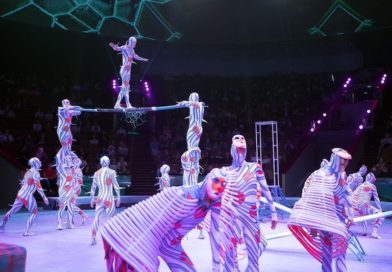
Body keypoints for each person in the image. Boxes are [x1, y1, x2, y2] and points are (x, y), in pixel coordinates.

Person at [211, 135, 278, 272]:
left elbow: (266, 190)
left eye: (243, 150)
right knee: (230, 257)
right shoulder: (225, 172)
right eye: (238, 149)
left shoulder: (255, 168)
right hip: (232, 219)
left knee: (254, 257)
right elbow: (214, 196)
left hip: (251, 218)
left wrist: (273, 212)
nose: (241, 153)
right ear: (232, 150)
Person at [288, 148, 352, 272]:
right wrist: (314, 225)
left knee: (341, 250)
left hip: (339, 219)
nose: (344, 163)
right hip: (325, 221)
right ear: (335, 159)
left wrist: (350, 213)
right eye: (342, 160)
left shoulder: (342, 175)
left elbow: (347, 192)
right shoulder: (322, 175)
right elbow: (312, 198)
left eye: (346, 160)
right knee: (327, 252)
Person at [0, 158, 49, 236]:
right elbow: (38, 186)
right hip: (27, 195)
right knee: (35, 212)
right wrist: (44, 197)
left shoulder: (27, 172)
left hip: (20, 194)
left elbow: (24, 184)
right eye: (39, 161)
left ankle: (2, 225)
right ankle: (27, 231)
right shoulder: (36, 173)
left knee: (12, 211)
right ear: (36, 163)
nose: (40, 162)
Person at [109, 36, 148, 109]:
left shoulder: (132, 50)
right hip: (124, 70)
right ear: (130, 41)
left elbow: (136, 57)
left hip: (128, 71)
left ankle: (128, 104)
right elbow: (116, 49)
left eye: (135, 42)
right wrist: (112, 45)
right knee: (125, 87)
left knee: (126, 88)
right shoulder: (125, 47)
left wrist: (143, 59)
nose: (135, 44)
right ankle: (117, 104)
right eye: (134, 42)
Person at [90, 156, 121, 245]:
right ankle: (109, 239)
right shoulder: (112, 172)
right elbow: (116, 185)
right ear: (108, 162)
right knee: (109, 219)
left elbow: (93, 187)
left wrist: (92, 198)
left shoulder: (96, 173)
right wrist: (118, 197)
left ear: (100, 163)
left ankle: (93, 237)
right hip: (109, 198)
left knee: (97, 218)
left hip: (100, 198)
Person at [352, 172, 384, 239]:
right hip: (364, 205)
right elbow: (376, 198)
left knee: (363, 216)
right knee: (381, 215)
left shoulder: (360, 186)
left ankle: (364, 231)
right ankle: (374, 232)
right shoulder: (372, 186)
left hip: (357, 206)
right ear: (371, 179)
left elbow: (353, 196)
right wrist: (380, 210)